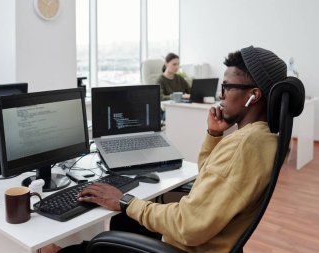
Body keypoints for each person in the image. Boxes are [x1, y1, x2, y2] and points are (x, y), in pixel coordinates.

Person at [43, 46, 292, 253]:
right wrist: (214, 135)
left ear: (253, 95)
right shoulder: (263, 139)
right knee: (123, 219)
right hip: (209, 240)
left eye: (227, 87)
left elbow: (188, 224)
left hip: (185, 247)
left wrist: (124, 199)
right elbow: (212, 179)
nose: (221, 94)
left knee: (92, 246)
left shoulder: (243, 145)